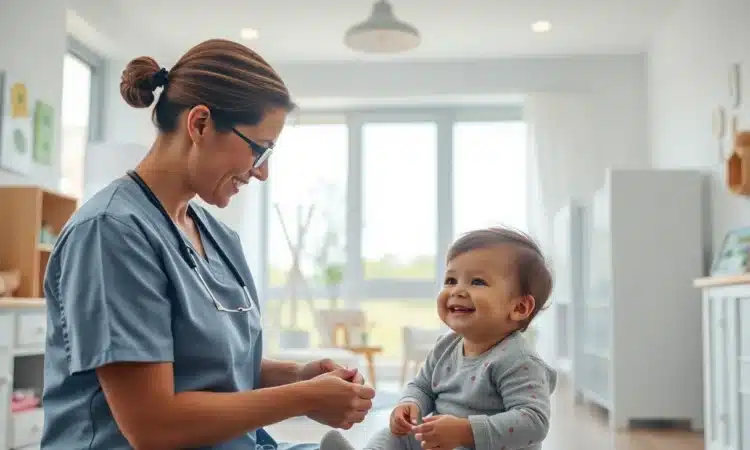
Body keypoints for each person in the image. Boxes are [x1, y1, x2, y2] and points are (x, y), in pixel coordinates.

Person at [40, 38, 376, 450]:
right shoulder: (111, 233)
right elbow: (153, 425)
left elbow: (211, 367)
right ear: (199, 124)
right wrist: (302, 398)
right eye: (259, 150)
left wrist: (298, 375)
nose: (262, 173)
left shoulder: (217, 237)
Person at [321, 227, 557, 450]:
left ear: (519, 307)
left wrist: (465, 431)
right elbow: (422, 386)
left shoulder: (519, 361)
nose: (457, 291)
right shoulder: (446, 346)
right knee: (394, 436)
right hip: (441, 442)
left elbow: (533, 422)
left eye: (477, 282)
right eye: (451, 280)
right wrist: (410, 404)